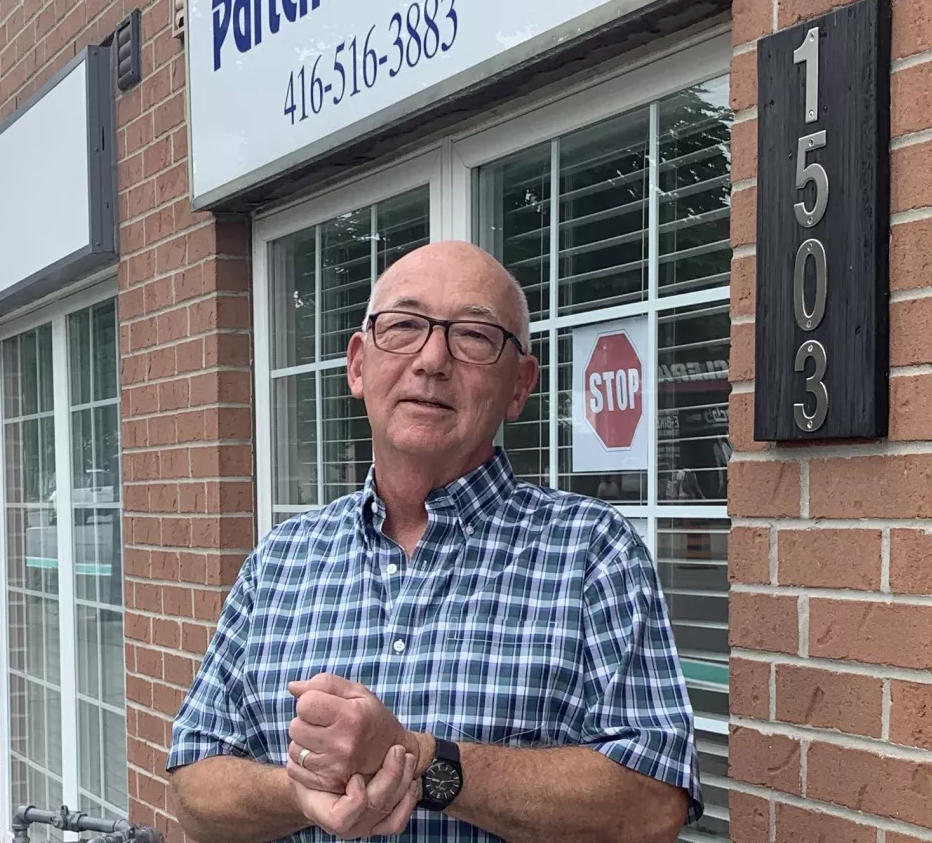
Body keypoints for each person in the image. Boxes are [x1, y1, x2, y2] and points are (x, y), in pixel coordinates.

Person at [167, 241, 698, 843]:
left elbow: (654, 803)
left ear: (520, 385)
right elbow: (192, 790)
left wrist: (421, 761)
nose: (432, 358)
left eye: (473, 335)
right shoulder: (281, 561)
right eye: (404, 326)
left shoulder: (594, 554)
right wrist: (300, 789)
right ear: (359, 365)